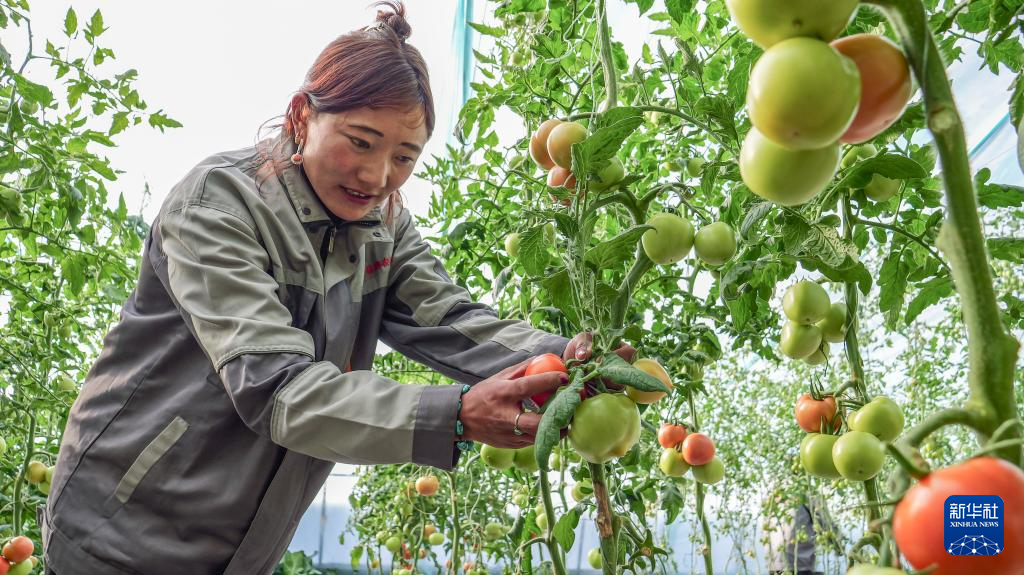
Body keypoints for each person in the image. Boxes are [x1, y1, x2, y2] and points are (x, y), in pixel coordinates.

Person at [39, 4, 627, 574]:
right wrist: (454, 416)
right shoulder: (217, 207)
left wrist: (569, 362)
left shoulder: (384, 230)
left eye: (404, 156)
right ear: (301, 115)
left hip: (243, 548)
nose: (376, 178)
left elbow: (450, 319)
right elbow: (276, 387)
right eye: (360, 141)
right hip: (118, 534)